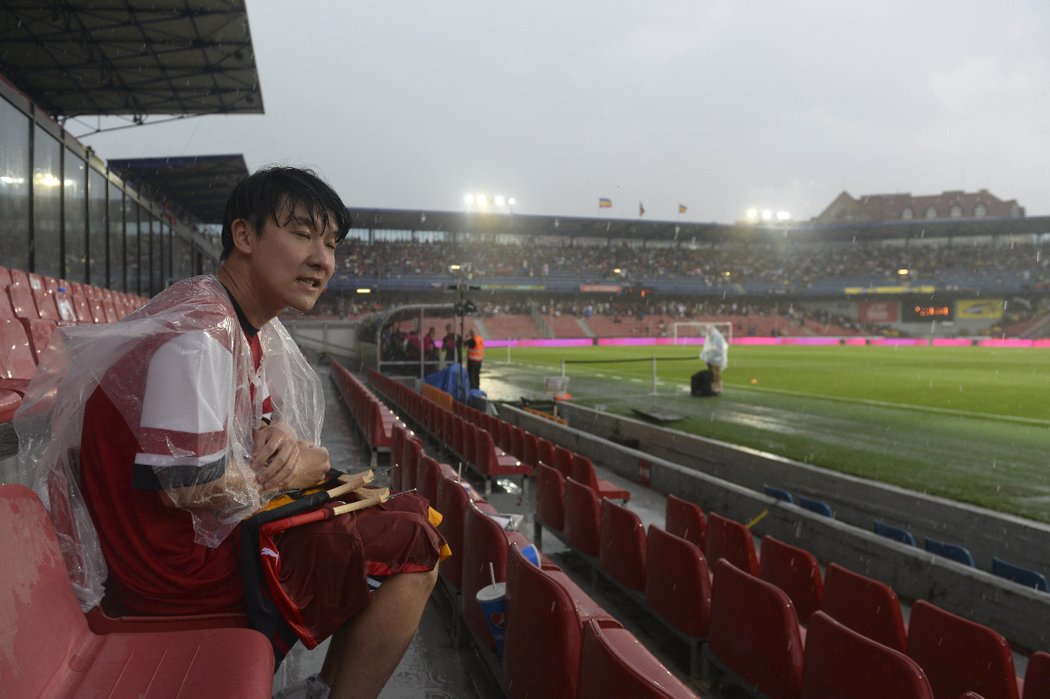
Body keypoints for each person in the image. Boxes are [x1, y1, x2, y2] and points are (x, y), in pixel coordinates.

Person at [18, 167, 443, 699]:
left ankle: (322, 689)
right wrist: (305, 465)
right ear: (244, 236)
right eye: (301, 234)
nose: (322, 259)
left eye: (331, 243)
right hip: (172, 574)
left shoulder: (228, 319)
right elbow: (189, 486)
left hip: (187, 547)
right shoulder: (201, 336)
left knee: (403, 511)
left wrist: (289, 440)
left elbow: (267, 423)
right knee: (416, 539)